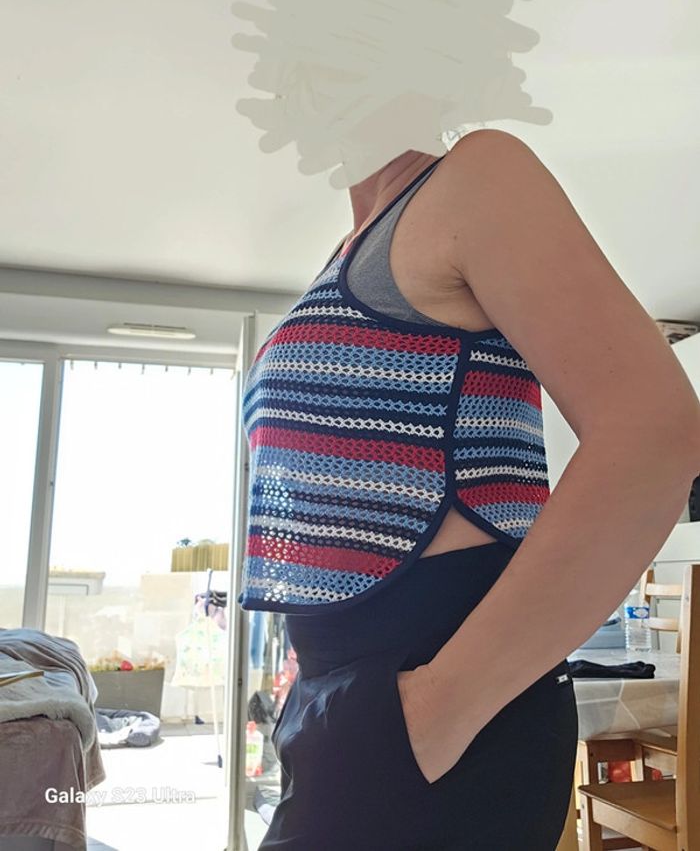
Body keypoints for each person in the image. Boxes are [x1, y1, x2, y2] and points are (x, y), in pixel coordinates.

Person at [238, 129, 700, 850]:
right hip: (351, 695)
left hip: (437, 700)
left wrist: (435, 711)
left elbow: (656, 433)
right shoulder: (353, 243)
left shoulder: (475, 177)